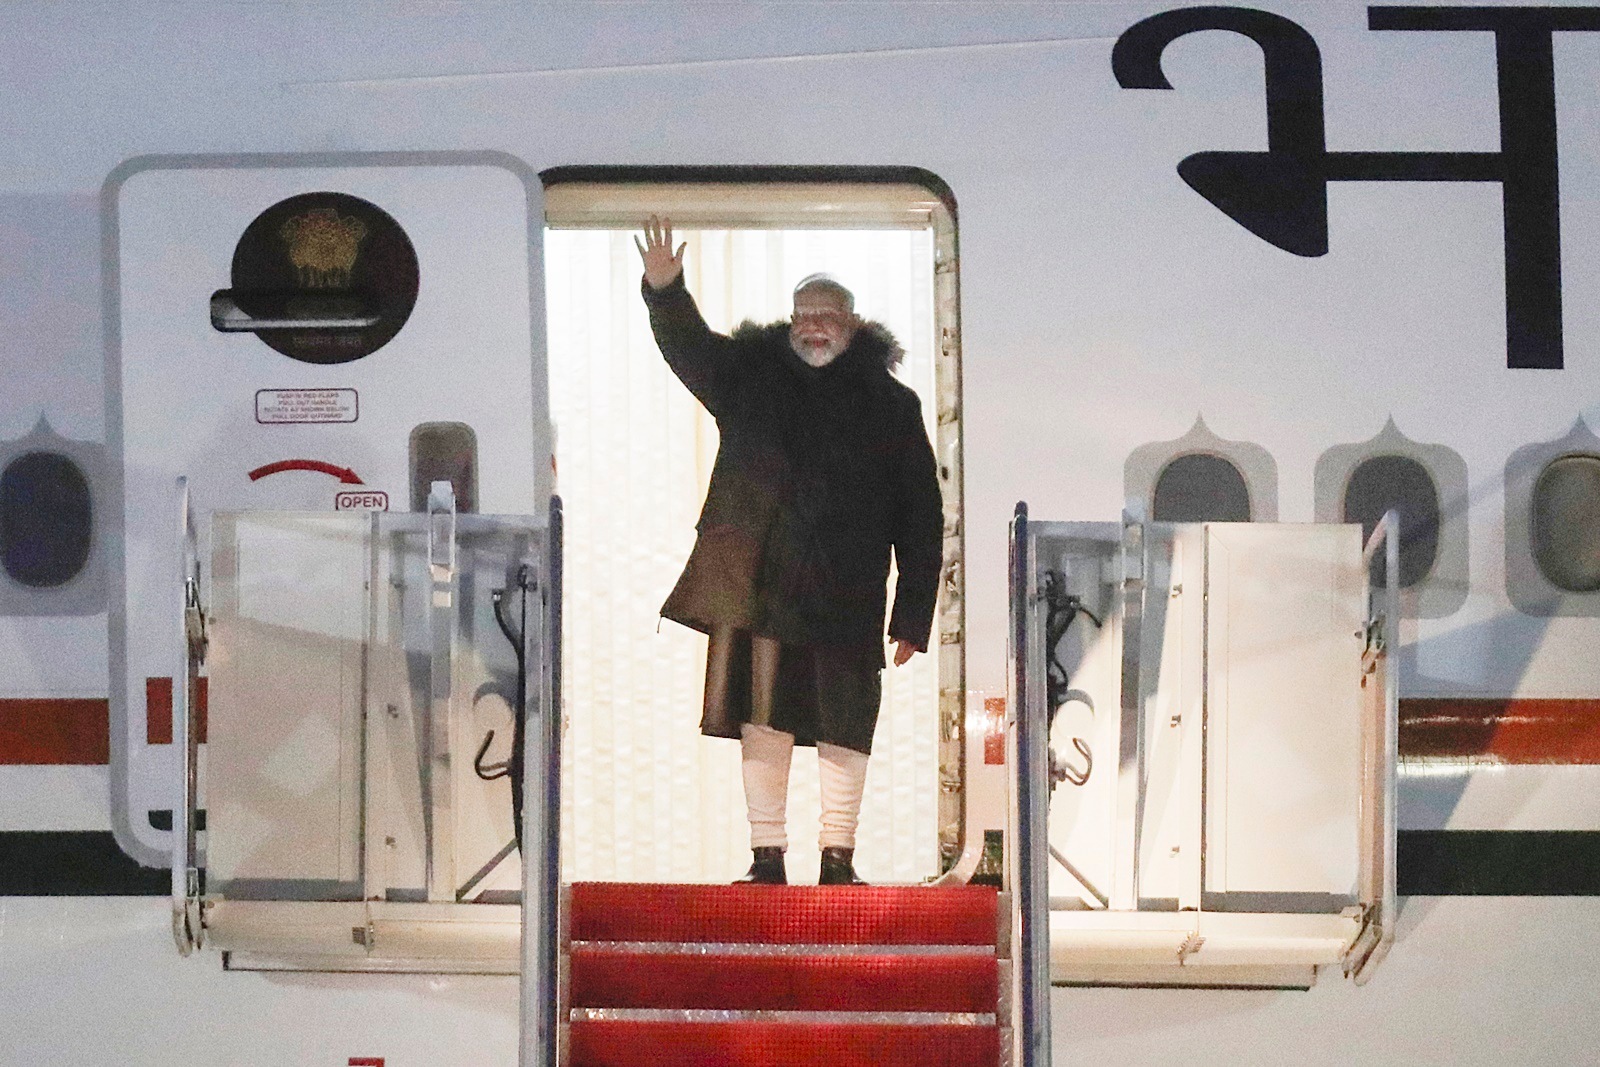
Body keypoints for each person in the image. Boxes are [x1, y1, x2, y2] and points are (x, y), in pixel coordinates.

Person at [637, 216, 944, 886]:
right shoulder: (749, 377)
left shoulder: (893, 406)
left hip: (849, 592)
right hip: (763, 587)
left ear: (853, 324)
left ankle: (839, 859)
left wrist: (913, 614)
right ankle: (765, 857)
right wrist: (665, 291)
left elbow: (922, 514)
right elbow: (691, 349)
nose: (815, 325)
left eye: (828, 314)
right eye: (805, 313)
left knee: (845, 725)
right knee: (764, 719)